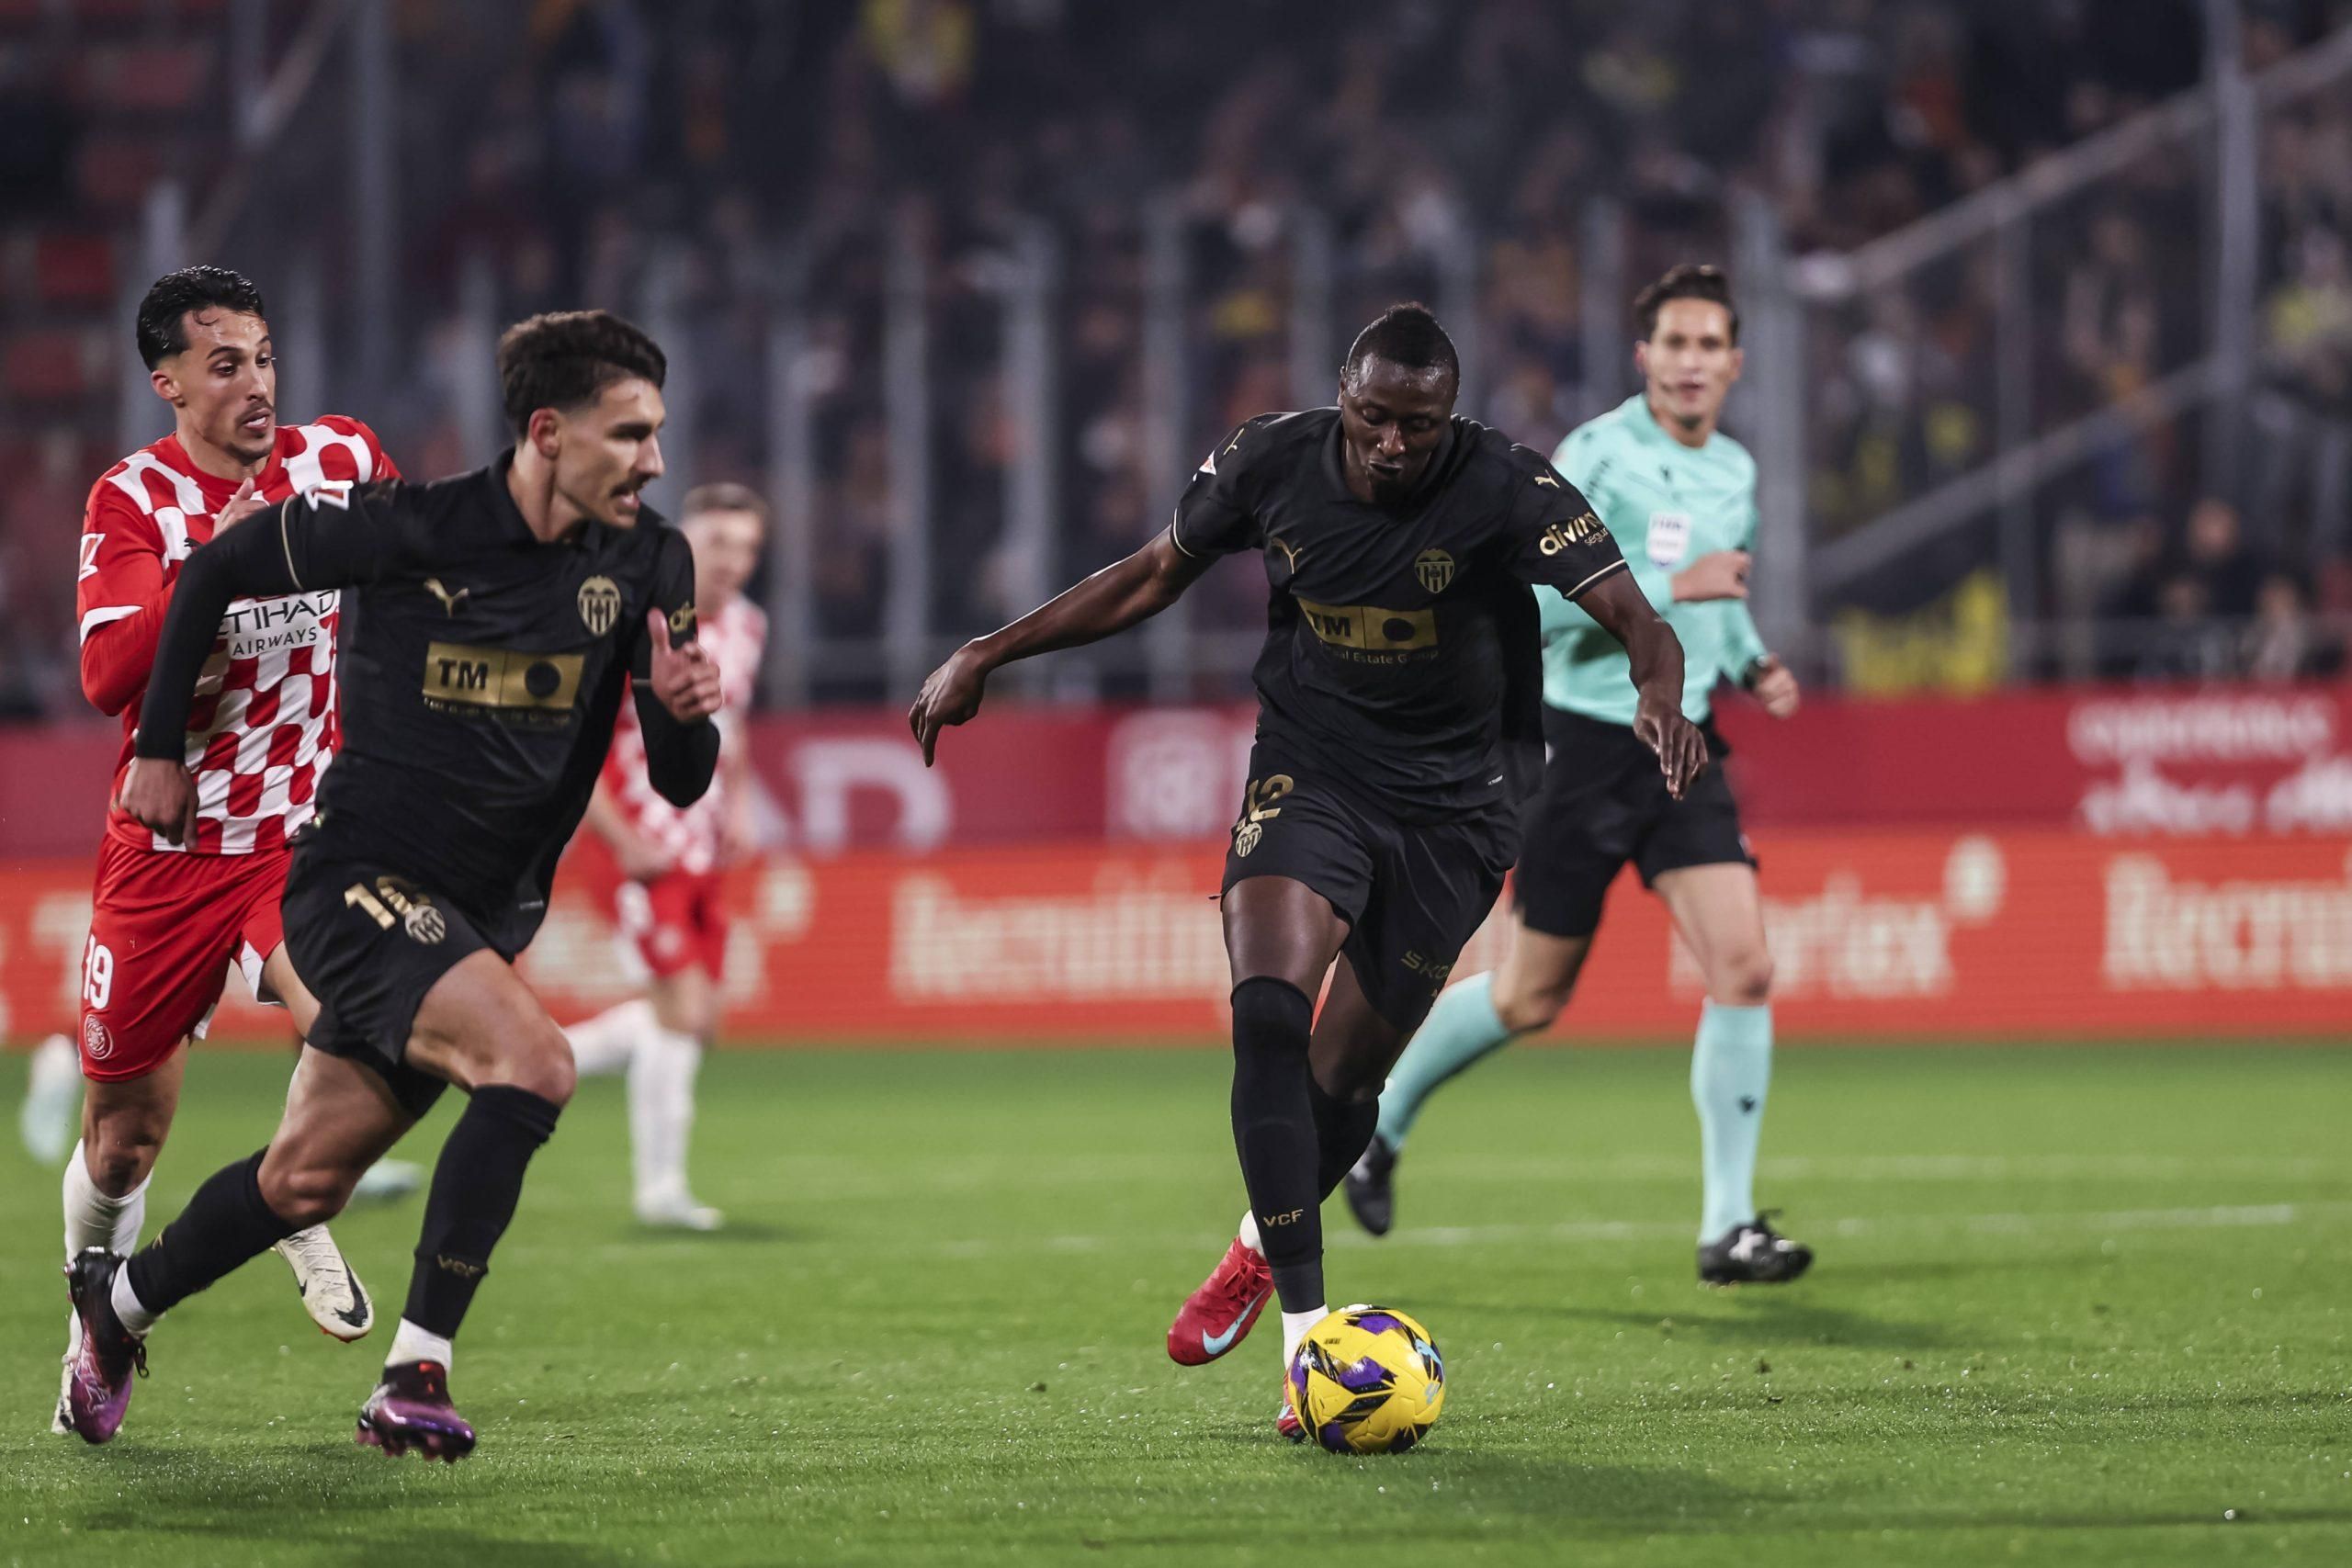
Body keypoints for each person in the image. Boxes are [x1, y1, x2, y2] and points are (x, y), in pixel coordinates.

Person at [910, 303, 1704, 1439]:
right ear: (1342, 393)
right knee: (1270, 1015)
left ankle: (1252, 1246)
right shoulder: (1266, 461)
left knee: (1343, 1083)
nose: (1393, 443)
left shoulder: (1507, 487)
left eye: (1418, 425)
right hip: (1313, 771)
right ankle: (1306, 1338)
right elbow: (1150, 575)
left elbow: (1637, 618)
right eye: (1374, 416)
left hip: (1458, 810)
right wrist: (990, 651)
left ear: (1450, 414)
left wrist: (1658, 698)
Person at [62, 309, 722, 1461]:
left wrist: (681, 716)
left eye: (658, 433)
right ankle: (416, 1373)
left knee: (303, 1179)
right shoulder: (419, 527)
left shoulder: (651, 563)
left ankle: (116, 1309)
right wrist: (158, 750)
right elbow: (218, 564)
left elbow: (677, 777)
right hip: (354, 875)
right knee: (535, 1063)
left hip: (484, 911)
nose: (655, 461)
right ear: (549, 433)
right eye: (630, 435)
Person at [1344, 265, 1815, 1286]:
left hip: (1681, 743)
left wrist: (1749, 659)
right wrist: (1669, 585)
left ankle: (1728, 1227)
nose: (1691, 363)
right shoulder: (1596, 458)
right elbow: (1536, 608)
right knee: (1530, 996)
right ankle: (1379, 1120)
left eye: (1709, 345)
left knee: (1744, 966)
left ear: (1735, 363)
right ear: (1645, 356)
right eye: (1674, 343)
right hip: (1585, 746)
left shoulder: (1735, 470)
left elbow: (1724, 598)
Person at [47, 265, 391, 1437]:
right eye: (226, 364)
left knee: (364, 1039)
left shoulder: (337, 459)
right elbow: (107, 676)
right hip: (168, 853)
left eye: (265, 358)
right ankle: (92, 1324)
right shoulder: (133, 499)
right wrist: (215, 566)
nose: (257, 385)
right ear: (171, 385)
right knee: (121, 1143)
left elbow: (425, 561)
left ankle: (288, 1196)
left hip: (302, 840)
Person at [564, 481, 770, 1229]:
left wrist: (740, 804)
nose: (734, 561)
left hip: (703, 847)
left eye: (748, 547)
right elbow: (575, 741)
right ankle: (661, 1191)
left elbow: (731, 727)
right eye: (719, 543)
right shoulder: (637, 620)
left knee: (697, 1022)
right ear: (685, 543)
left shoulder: (747, 625)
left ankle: (520, 1060)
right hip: (637, 845)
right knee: (680, 1010)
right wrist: (621, 839)